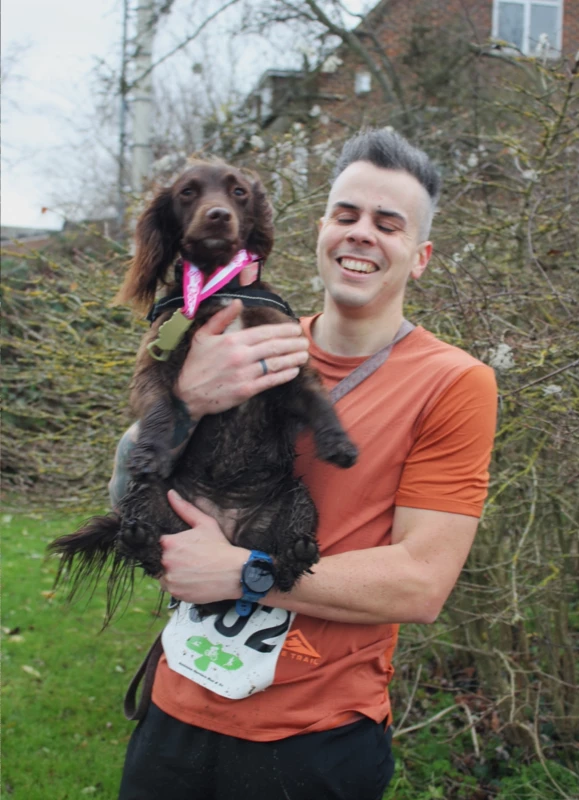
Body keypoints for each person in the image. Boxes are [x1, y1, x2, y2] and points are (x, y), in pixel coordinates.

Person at [114, 128, 497, 800]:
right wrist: (186, 403)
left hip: (314, 738)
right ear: (321, 231)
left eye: (388, 224)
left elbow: (421, 583)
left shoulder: (454, 383)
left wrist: (244, 573)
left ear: (420, 257)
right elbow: (125, 496)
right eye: (345, 215)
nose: (361, 234)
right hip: (175, 704)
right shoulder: (236, 337)